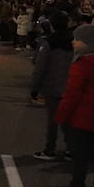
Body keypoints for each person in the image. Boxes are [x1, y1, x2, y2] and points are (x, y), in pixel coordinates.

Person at [54, 24, 94, 187]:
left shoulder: (82, 65)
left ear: (87, 43)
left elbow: (72, 95)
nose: (73, 42)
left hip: (82, 120)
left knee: (79, 157)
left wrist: (60, 117)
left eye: (77, 39)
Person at [31, 11, 73, 161]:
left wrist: (34, 88)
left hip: (53, 87)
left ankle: (50, 150)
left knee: (53, 121)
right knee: (69, 120)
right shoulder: (74, 42)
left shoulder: (48, 43)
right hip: (71, 87)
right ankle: (70, 150)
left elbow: (39, 67)